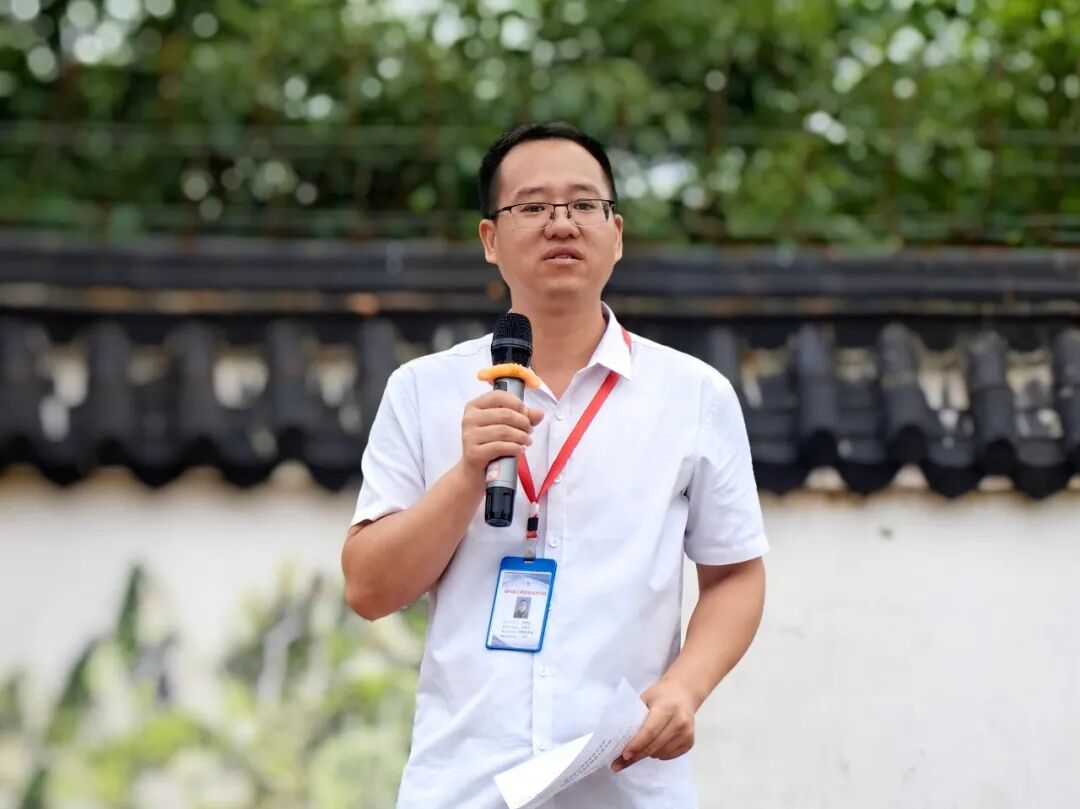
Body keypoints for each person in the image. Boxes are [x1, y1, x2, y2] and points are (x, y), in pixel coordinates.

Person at [341, 122, 768, 809]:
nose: (561, 223)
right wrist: (466, 476)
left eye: (583, 204)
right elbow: (368, 588)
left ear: (616, 233)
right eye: (533, 206)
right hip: (465, 786)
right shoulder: (423, 389)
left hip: (626, 784)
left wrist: (686, 687)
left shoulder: (693, 395)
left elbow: (736, 573)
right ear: (490, 239)